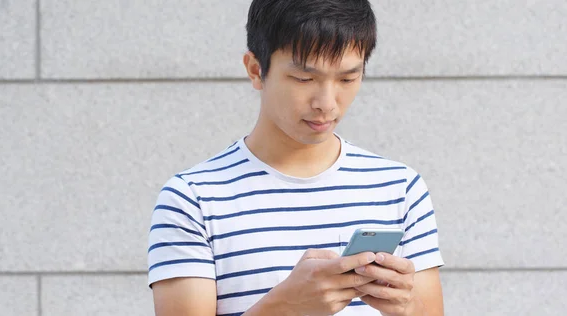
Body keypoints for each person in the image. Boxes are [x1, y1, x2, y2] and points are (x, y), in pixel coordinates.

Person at [147, 0, 444, 315]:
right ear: (256, 70)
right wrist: (284, 307)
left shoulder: (400, 187)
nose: (327, 104)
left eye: (347, 79)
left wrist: (408, 307)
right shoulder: (193, 199)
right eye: (304, 79)